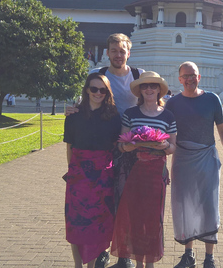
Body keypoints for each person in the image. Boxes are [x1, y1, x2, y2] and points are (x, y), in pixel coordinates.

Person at [67, 33, 144, 268]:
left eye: (122, 51)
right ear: (107, 53)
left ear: (128, 53)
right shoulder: (101, 75)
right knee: (105, 204)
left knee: (127, 201)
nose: (118, 55)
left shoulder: (137, 76)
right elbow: (89, 98)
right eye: (114, 50)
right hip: (105, 144)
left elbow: (154, 101)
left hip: (129, 145)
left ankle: (125, 255)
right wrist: (75, 111)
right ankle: (102, 250)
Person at [165, 61, 223, 268]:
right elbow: (163, 131)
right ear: (179, 79)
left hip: (206, 157)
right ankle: (189, 254)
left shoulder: (211, 99)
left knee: (208, 205)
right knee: (185, 204)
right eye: (185, 76)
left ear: (199, 77)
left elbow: (222, 130)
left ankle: (209, 256)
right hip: (182, 159)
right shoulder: (173, 103)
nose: (189, 79)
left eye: (192, 75)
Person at [111, 72, 177, 268]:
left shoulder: (168, 115)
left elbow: (173, 148)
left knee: (154, 219)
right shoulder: (131, 114)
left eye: (153, 86)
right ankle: (139, 263)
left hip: (156, 173)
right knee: (136, 217)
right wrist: (128, 146)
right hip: (134, 171)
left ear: (159, 90)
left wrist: (163, 146)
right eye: (145, 86)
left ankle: (150, 263)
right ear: (140, 90)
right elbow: (120, 144)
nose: (149, 89)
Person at [63, 73, 122, 268]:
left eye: (102, 90)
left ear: (107, 93)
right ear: (87, 89)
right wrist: (72, 173)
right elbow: (70, 147)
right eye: (94, 89)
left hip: (103, 177)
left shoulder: (113, 117)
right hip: (78, 176)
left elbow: (115, 145)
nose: (98, 93)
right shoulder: (73, 116)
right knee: (76, 224)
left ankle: (92, 265)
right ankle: (78, 265)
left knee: (99, 226)